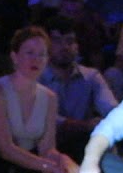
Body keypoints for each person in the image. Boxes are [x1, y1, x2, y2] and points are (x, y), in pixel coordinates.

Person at [0, 27, 91, 173]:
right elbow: (6, 149)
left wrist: (62, 160)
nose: (36, 60)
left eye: (41, 55)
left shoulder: (49, 97)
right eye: (29, 53)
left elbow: (47, 148)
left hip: (36, 165)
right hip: (3, 169)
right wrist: (48, 166)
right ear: (14, 56)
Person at [39, 15, 117, 161]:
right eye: (57, 41)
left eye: (70, 41)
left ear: (77, 46)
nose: (64, 47)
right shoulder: (37, 77)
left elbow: (110, 107)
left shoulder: (91, 76)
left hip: (83, 142)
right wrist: (84, 125)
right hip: (46, 143)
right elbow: (44, 119)